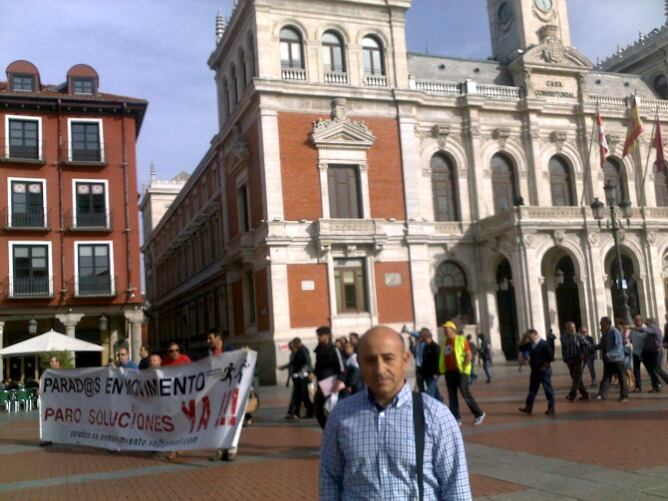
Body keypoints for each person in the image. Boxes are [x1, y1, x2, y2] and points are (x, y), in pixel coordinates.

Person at [319, 326, 471, 500]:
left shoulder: (436, 415)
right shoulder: (340, 415)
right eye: (370, 360)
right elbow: (330, 479)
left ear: (405, 360)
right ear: (359, 363)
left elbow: (456, 488)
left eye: (388, 359)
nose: (379, 369)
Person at [439, 321, 485, 426]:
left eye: (446, 329)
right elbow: (443, 356)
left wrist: (464, 368)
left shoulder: (461, 340)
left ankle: (479, 413)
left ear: (452, 329)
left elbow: (469, 355)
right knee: (452, 395)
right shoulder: (444, 342)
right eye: (444, 329)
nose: (444, 331)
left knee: (465, 393)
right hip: (449, 372)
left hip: (460, 371)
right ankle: (456, 418)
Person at [311, 326, 345, 429]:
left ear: (327, 336)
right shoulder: (319, 349)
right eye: (318, 335)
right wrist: (313, 373)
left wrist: (339, 381)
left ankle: (334, 431)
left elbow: (342, 367)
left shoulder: (334, 349)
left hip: (331, 382)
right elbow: (318, 365)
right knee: (318, 409)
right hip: (321, 382)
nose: (318, 337)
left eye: (321, 335)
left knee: (329, 409)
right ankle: (327, 430)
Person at [518, 329, 555, 416]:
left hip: (544, 370)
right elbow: (521, 348)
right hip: (535, 370)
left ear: (535, 334)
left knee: (547, 389)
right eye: (527, 337)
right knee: (532, 389)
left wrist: (545, 366)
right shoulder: (530, 344)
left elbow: (550, 357)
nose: (528, 338)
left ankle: (551, 407)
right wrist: (524, 337)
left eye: (529, 336)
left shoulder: (544, 344)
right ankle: (528, 407)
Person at [593, 316, 628, 402]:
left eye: (601, 322)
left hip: (617, 359)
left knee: (621, 377)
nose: (600, 324)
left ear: (606, 323)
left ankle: (624, 396)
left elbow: (618, 346)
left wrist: (609, 354)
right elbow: (602, 345)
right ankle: (602, 395)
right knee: (606, 377)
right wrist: (592, 348)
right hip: (608, 360)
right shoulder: (605, 333)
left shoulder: (614, 332)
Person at [283, 337, 314, 418]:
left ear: (297, 343)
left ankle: (299, 413)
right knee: (302, 395)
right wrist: (284, 367)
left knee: (301, 395)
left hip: (303, 376)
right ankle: (306, 412)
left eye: (294, 344)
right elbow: (294, 362)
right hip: (299, 376)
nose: (293, 346)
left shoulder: (303, 350)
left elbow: (308, 361)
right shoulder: (299, 350)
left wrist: (310, 372)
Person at [561, 321, 589, 401]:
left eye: (573, 327)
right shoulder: (563, 337)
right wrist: (564, 358)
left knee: (576, 377)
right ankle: (584, 394)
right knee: (576, 378)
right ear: (566, 329)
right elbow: (564, 348)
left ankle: (572, 394)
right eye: (570, 328)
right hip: (569, 359)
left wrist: (583, 354)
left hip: (578, 359)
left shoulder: (579, 336)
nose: (572, 329)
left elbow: (586, 345)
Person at [641, 318, 668, 392]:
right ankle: (656, 386)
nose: (646, 324)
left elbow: (644, 330)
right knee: (652, 370)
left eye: (647, 323)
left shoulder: (654, 328)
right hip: (651, 352)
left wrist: (633, 327)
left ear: (651, 323)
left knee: (657, 368)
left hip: (658, 351)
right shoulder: (649, 330)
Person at [420, 328, 441, 401]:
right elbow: (424, 361)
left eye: (423, 338)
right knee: (435, 392)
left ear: (427, 337)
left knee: (430, 393)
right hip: (427, 373)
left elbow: (438, 361)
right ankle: (440, 404)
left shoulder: (435, 347)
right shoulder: (426, 347)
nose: (422, 340)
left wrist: (437, 373)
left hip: (433, 374)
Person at [629, 314, 646, 392]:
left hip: (644, 352)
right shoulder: (632, 329)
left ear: (641, 320)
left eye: (637, 320)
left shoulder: (645, 328)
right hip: (635, 352)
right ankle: (638, 387)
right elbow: (630, 338)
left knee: (651, 369)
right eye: (635, 320)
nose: (636, 322)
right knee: (636, 371)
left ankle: (656, 384)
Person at [409, 328, 427, 392]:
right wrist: (410, 341)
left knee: (430, 386)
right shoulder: (417, 345)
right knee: (420, 385)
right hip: (418, 366)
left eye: (417, 337)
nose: (417, 339)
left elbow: (413, 333)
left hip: (425, 366)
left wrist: (410, 332)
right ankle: (422, 397)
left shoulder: (424, 344)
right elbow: (412, 351)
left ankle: (437, 398)